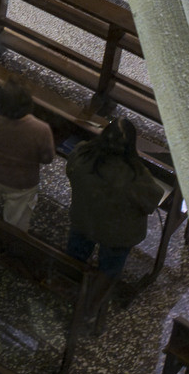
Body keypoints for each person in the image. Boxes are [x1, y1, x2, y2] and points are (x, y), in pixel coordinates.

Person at [65, 117, 165, 276]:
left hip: (84, 220)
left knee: (75, 253)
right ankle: (100, 290)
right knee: (110, 268)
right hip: (117, 233)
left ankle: (69, 276)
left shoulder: (81, 153)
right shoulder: (135, 176)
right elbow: (150, 203)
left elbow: (70, 172)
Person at [0, 77, 55, 227]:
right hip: (22, 182)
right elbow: (47, 158)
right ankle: (11, 243)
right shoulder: (41, 129)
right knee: (16, 221)